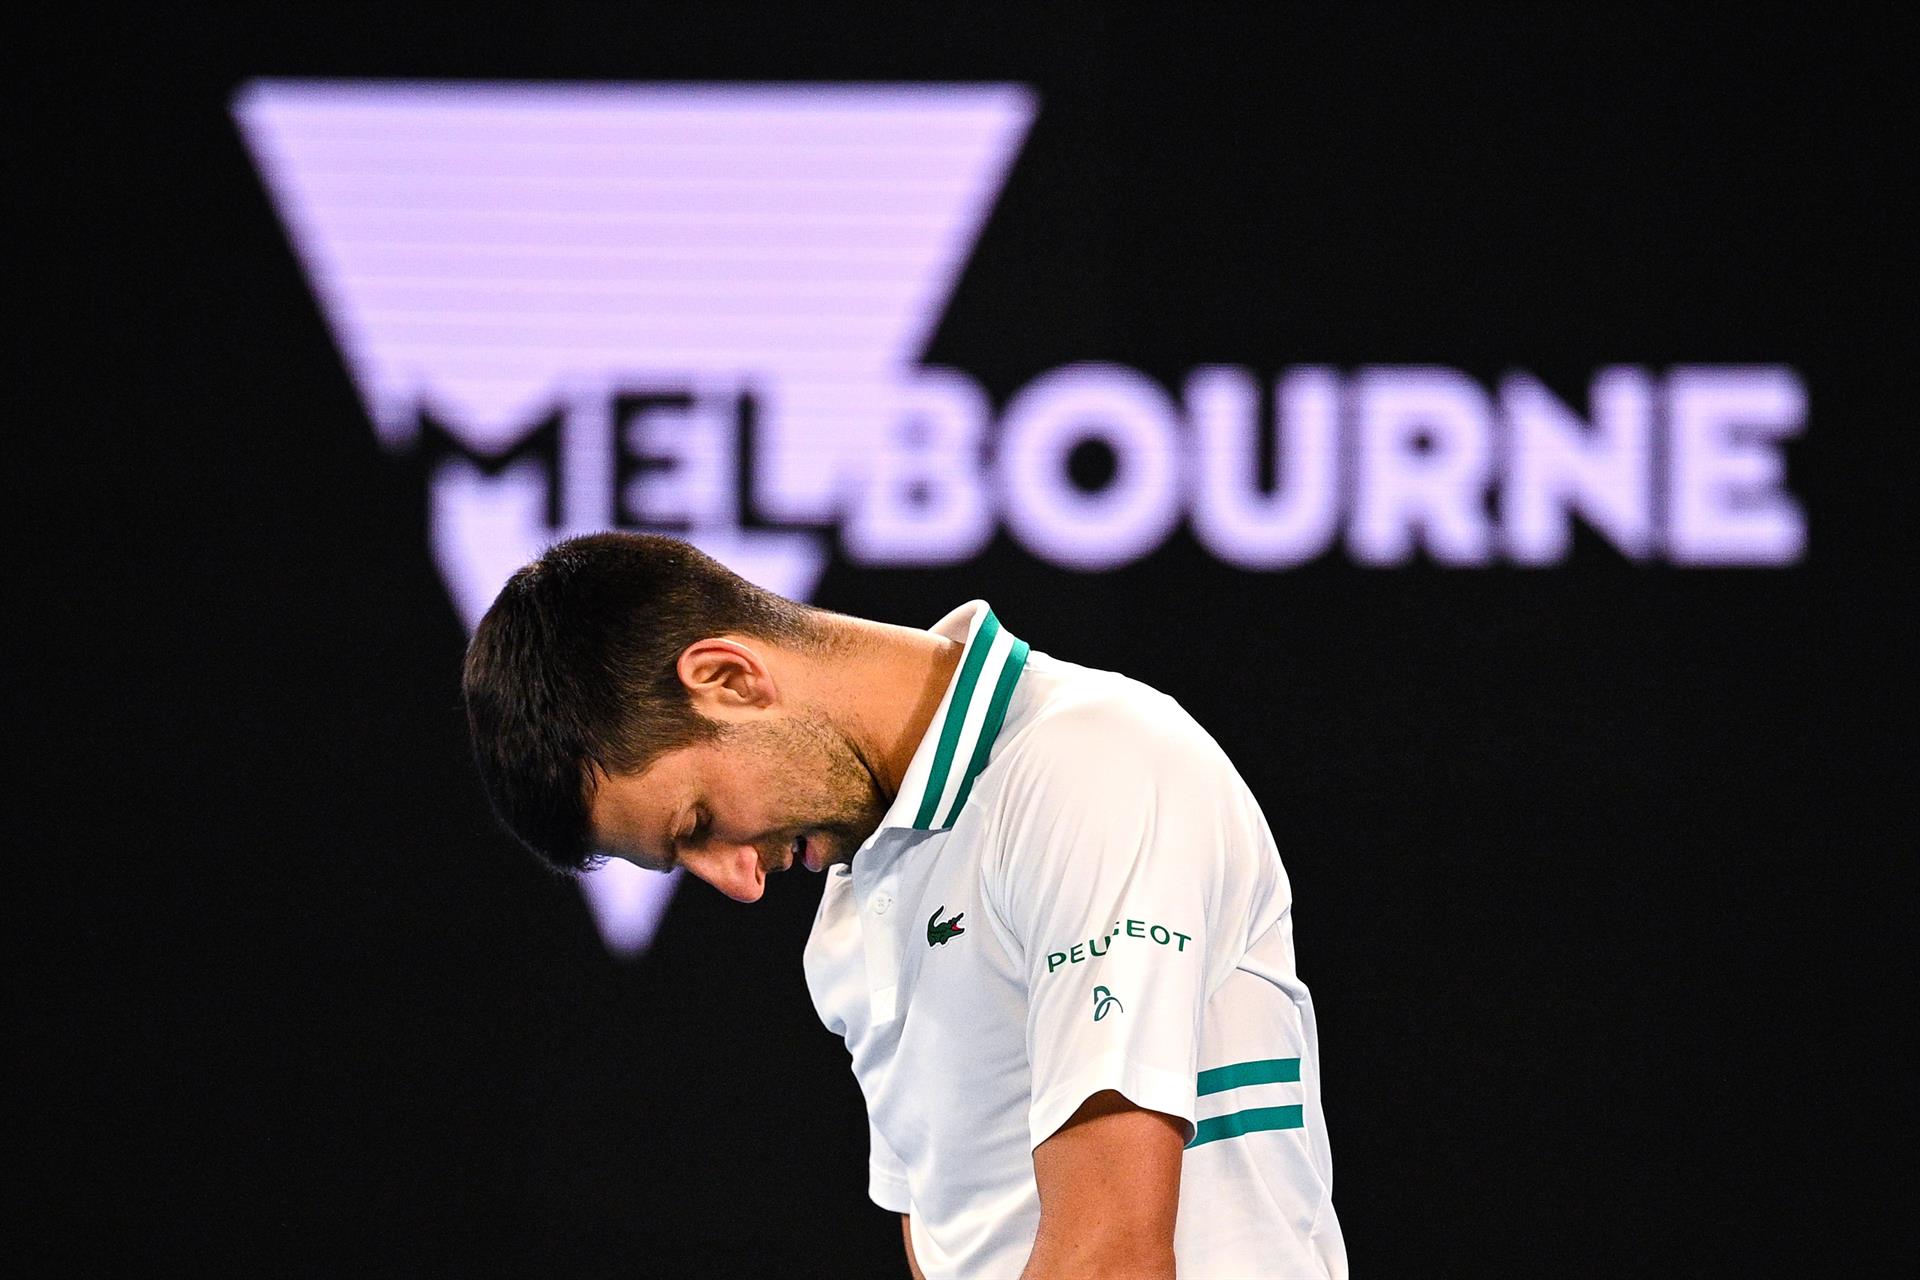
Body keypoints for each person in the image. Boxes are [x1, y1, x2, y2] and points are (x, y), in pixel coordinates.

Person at [463, 532, 1347, 1280]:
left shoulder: (1088, 767)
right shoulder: (855, 909)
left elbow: (1111, 1254)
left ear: (729, 677)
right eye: (682, 861)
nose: (737, 881)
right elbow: (954, 1243)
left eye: (698, 822)